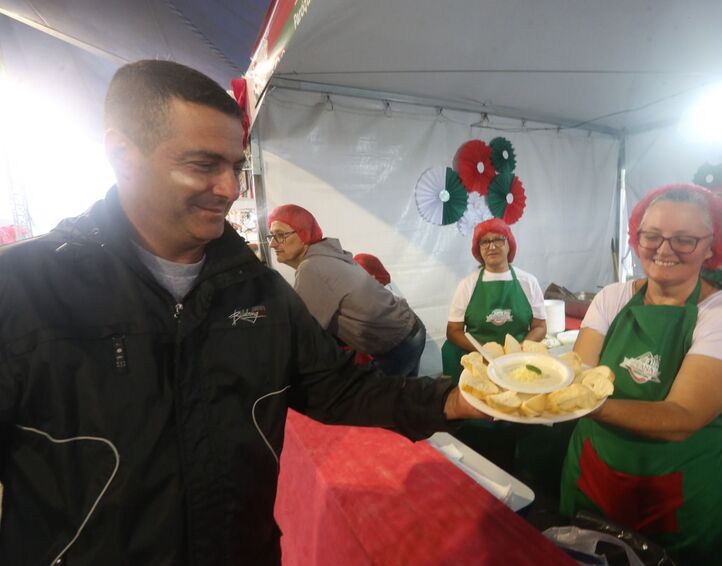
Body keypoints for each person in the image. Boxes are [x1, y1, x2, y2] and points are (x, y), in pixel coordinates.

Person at [0, 60, 481, 566]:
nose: (230, 188)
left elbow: (342, 389)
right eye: (204, 165)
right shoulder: (25, 290)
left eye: (235, 165)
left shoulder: (259, 291)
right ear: (123, 154)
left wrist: (457, 396)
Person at [560, 184, 722, 565]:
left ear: (712, 245)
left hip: (683, 497)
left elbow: (681, 418)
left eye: (684, 240)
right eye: (652, 236)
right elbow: (579, 373)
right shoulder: (611, 298)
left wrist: (584, 404)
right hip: (593, 476)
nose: (664, 250)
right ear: (638, 237)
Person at [267, 205, 426, 378]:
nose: (272, 243)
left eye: (280, 235)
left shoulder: (311, 267)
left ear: (304, 234)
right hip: (410, 330)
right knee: (405, 400)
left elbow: (302, 333)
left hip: (398, 343)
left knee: (377, 402)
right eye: (272, 236)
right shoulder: (327, 254)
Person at [441, 218, 547, 381]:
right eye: (485, 242)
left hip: (519, 358)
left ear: (509, 244)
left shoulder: (528, 282)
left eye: (498, 239)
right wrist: (482, 351)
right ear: (479, 249)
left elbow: (540, 326)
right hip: (478, 358)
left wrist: (520, 349)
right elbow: (453, 330)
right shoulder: (467, 285)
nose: (492, 246)